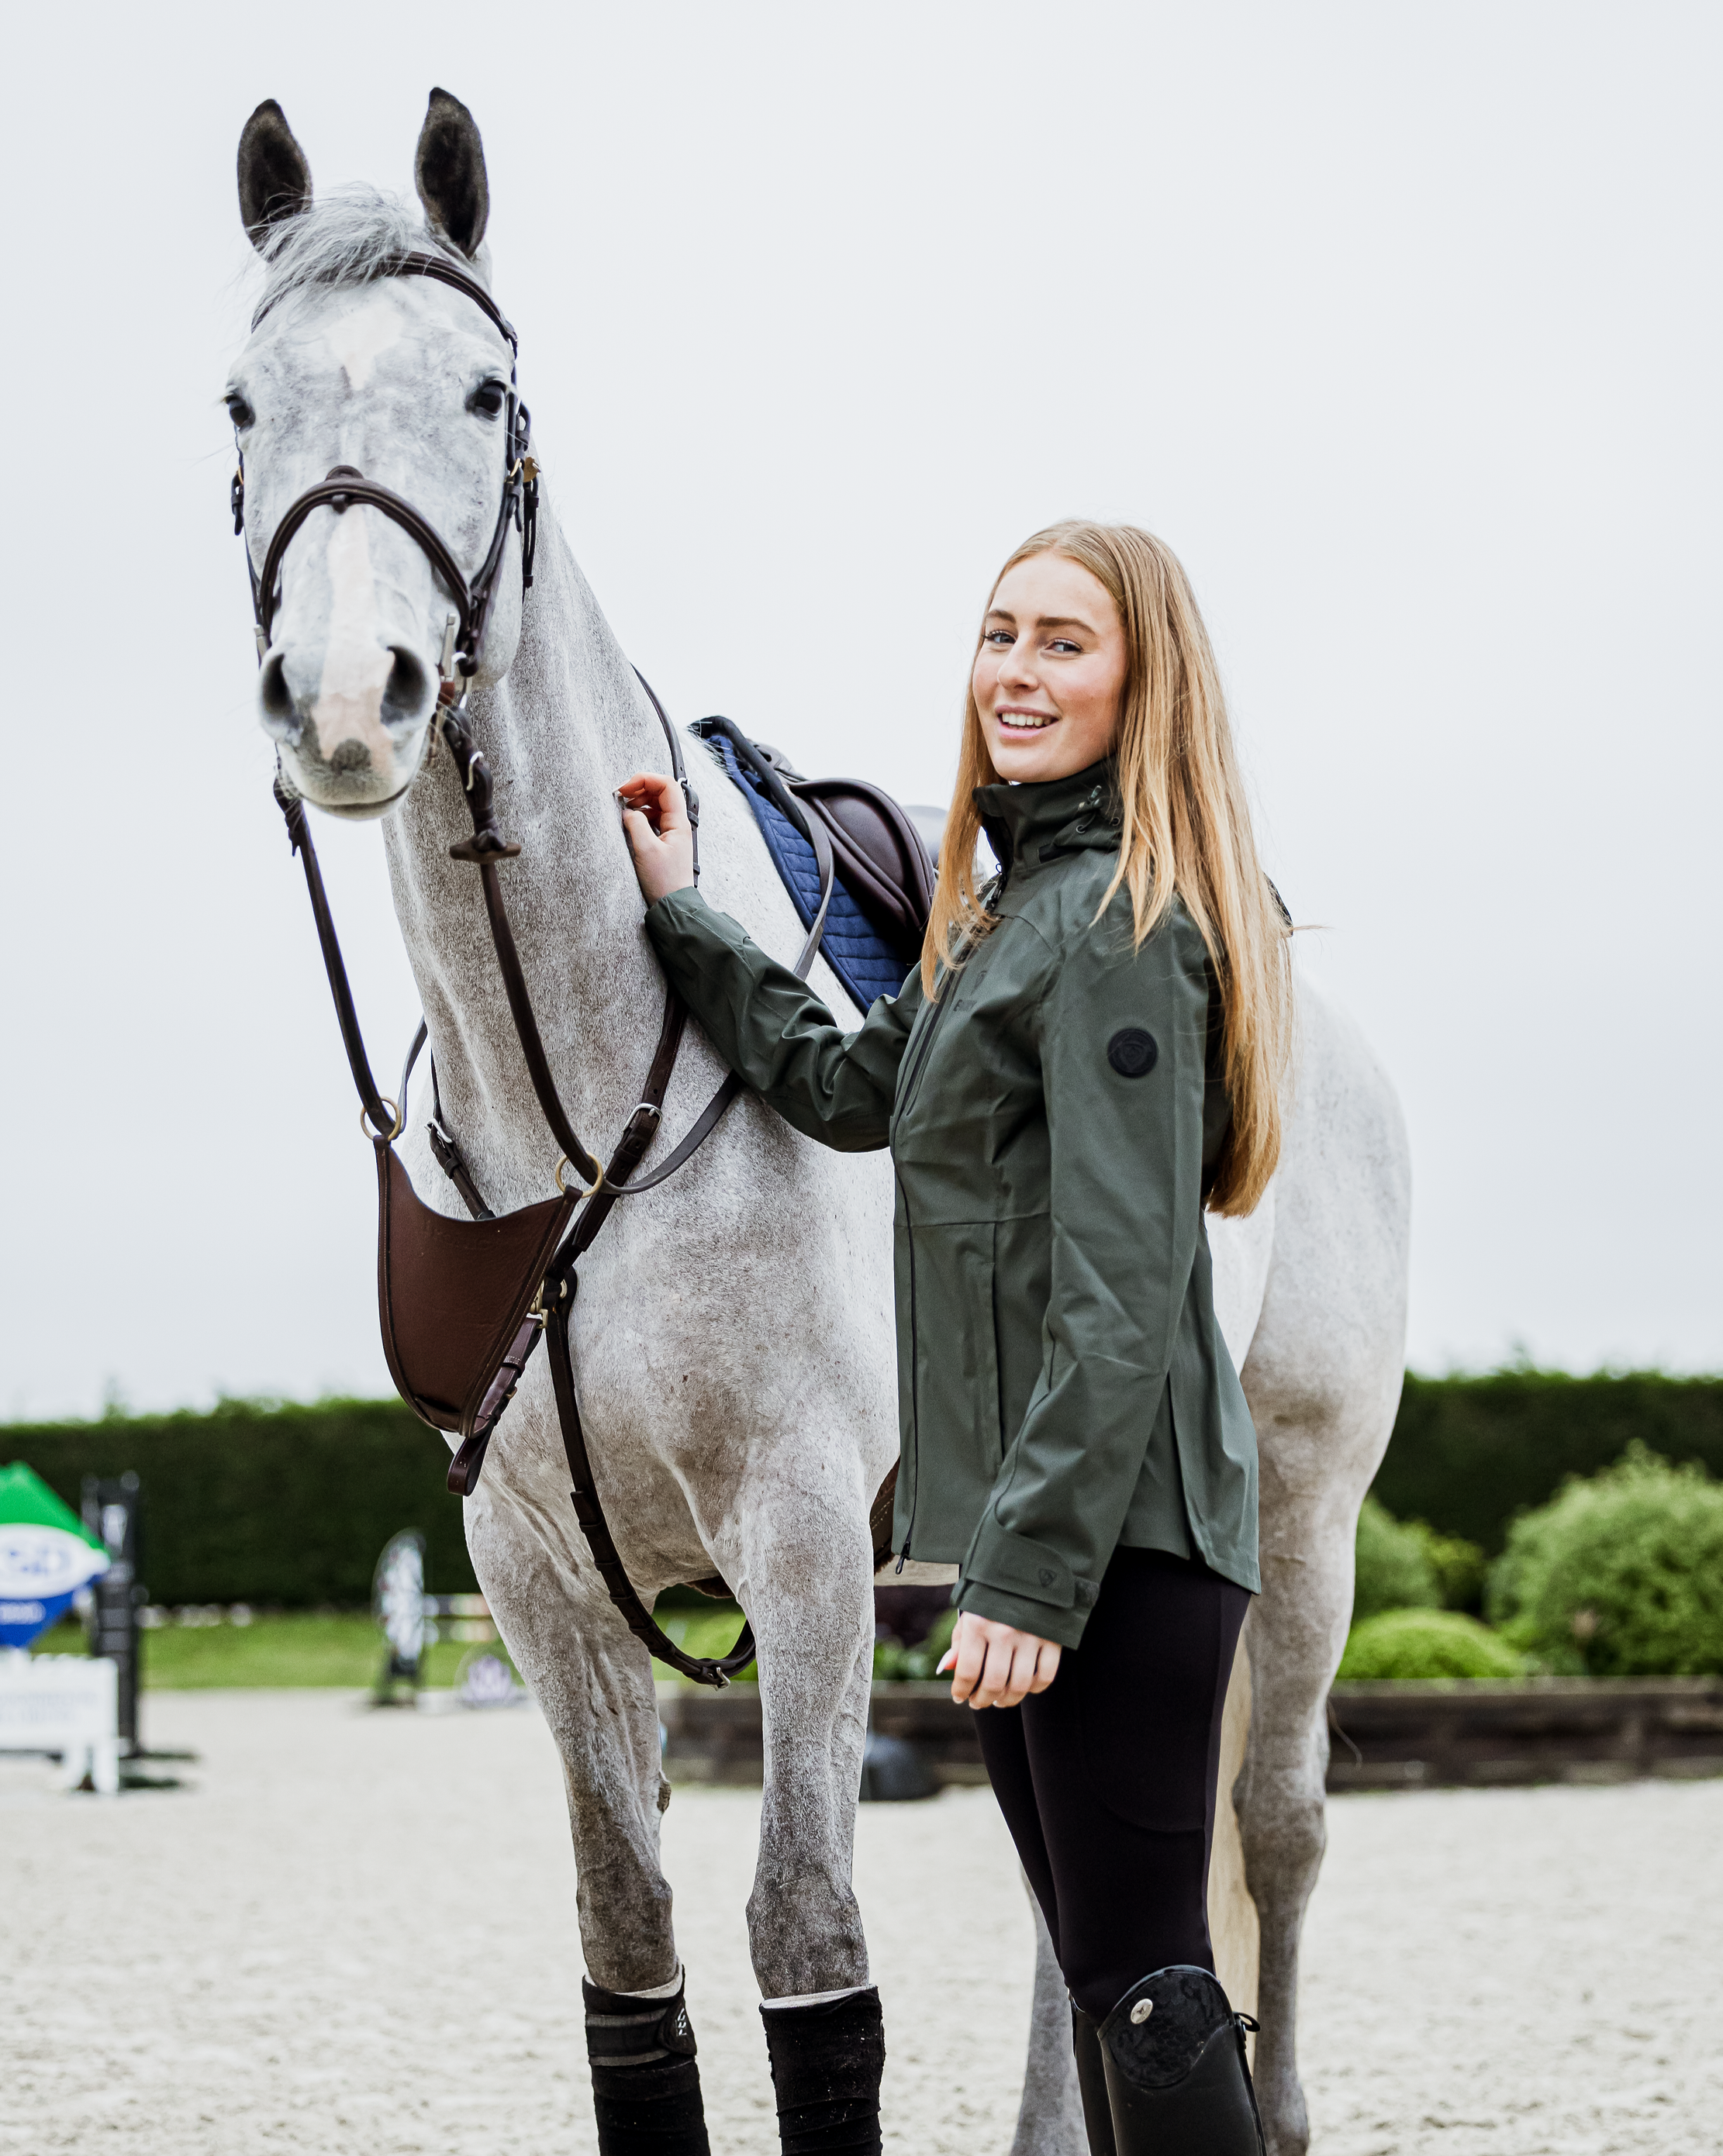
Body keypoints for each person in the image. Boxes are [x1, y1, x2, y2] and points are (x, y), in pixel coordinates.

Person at [620, 520, 1291, 2156]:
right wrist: (684, 911)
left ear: (1144, 681)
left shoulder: (1122, 925)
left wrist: (1031, 1577)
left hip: (1114, 1552)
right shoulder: (1004, 918)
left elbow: (1125, 1297)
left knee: (1147, 1984)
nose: (1016, 670)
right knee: (1108, 1969)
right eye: (1000, 633)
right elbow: (856, 1091)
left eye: (1065, 640)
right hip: (1037, 1549)